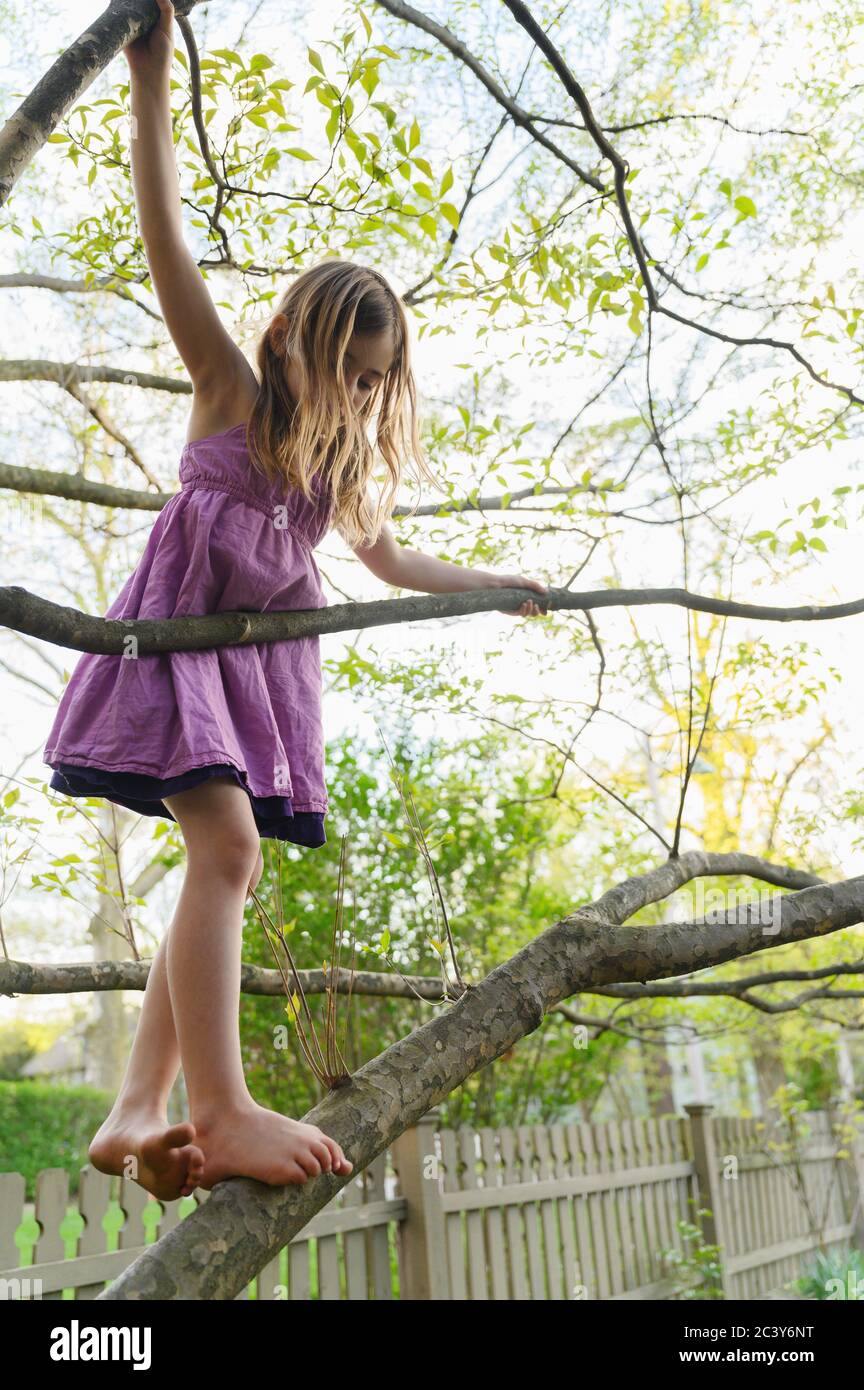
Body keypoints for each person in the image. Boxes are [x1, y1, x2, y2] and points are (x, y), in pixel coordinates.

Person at [42, 0, 549, 1201]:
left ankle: (135, 1109)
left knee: (231, 859)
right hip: (175, 652)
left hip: (248, 680)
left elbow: (393, 563)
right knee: (224, 848)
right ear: (292, 342)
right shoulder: (227, 390)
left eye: (379, 384)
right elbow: (163, 230)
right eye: (349, 371)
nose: (365, 399)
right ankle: (215, 1109)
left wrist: (498, 586)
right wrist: (150, 79)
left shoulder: (331, 475)